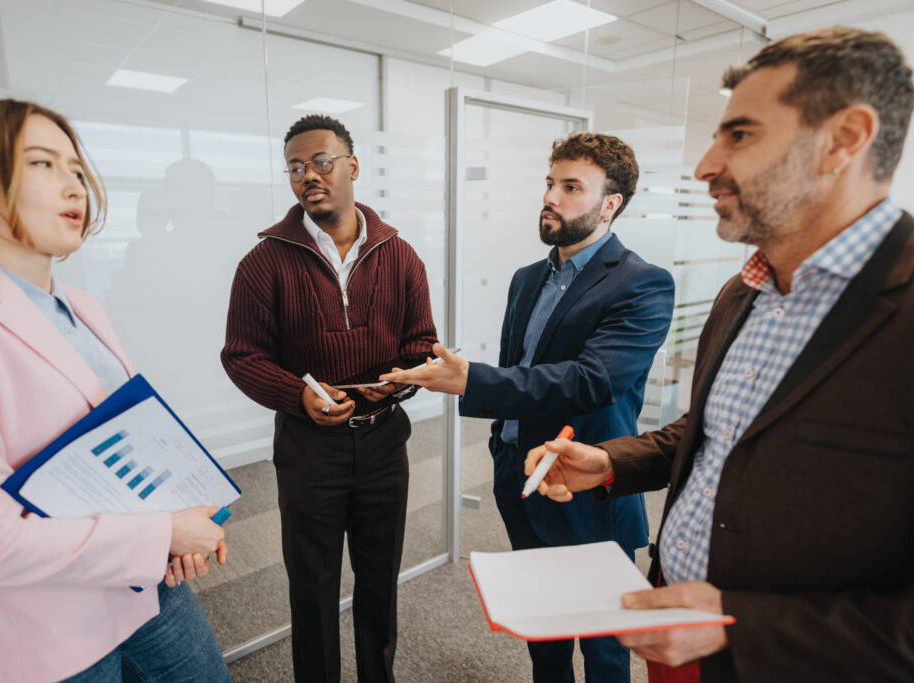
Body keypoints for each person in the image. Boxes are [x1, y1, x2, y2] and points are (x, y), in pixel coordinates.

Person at [527, 27, 914, 683]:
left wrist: (738, 623)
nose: (706, 164)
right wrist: (610, 460)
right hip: (675, 645)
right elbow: (713, 436)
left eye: (739, 134)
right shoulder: (744, 292)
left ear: (843, 140)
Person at [0, 99, 232, 683]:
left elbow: (121, 446)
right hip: (45, 630)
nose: (74, 185)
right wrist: (164, 532)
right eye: (43, 164)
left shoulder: (82, 305)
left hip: (147, 591)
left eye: (76, 168)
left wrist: (175, 526)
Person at [383, 132, 674, 683]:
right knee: (544, 626)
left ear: (610, 203)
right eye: (549, 183)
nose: (551, 197)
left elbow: (593, 382)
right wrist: (501, 444)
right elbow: (525, 369)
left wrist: (472, 379)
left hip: (586, 481)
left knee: (603, 640)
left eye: (571, 187)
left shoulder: (643, 284)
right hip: (518, 473)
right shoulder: (527, 279)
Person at [221, 114, 437, 682]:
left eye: (321, 162)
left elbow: (422, 343)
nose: (308, 176)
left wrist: (404, 378)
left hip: (386, 441)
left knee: (378, 579)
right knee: (312, 587)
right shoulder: (263, 263)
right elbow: (242, 356)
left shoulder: (401, 255)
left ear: (352, 166)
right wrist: (299, 396)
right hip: (309, 447)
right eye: (296, 167)